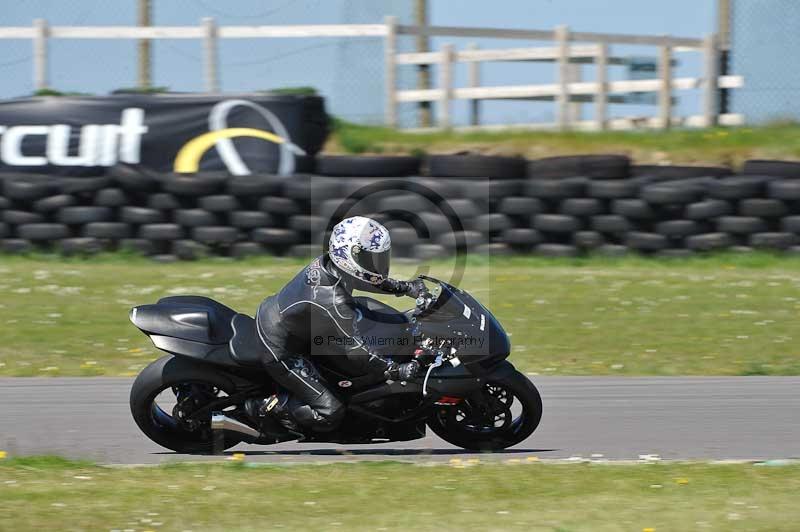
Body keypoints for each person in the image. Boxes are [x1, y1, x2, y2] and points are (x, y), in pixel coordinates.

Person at [247, 216, 427, 432]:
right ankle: (264, 408)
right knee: (330, 412)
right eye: (371, 259)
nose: (377, 264)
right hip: (280, 348)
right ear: (349, 256)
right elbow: (356, 350)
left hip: (295, 323)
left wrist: (406, 288)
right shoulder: (331, 299)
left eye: (379, 258)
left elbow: (368, 278)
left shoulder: (332, 264)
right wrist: (395, 370)